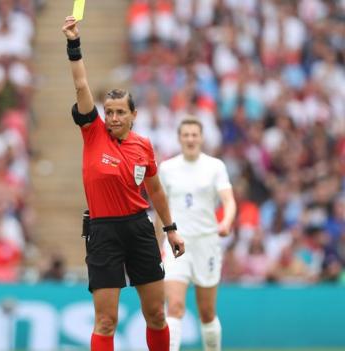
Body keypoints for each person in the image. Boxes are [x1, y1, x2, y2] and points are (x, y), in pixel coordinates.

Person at [62, 16, 185, 351]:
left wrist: (170, 228)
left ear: (133, 115)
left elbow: (155, 190)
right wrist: (74, 44)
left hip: (139, 229)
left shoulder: (144, 146)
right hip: (103, 233)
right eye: (109, 111)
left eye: (119, 112)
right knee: (106, 321)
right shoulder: (93, 133)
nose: (113, 117)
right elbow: (81, 85)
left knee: (156, 314)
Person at [157, 119, 237, 351]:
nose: (190, 139)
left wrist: (226, 222)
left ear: (201, 138)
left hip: (207, 244)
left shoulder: (215, 166)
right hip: (176, 244)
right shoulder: (167, 168)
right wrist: (156, 242)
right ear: (179, 138)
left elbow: (229, 201)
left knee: (207, 313)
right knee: (174, 307)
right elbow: (160, 210)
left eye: (194, 135)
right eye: (186, 135)